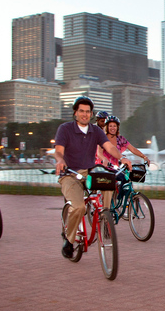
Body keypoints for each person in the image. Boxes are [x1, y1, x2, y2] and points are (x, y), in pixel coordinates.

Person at [55, 96, 131, 259]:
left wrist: (121, 158)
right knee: (80, 207)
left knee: (109, 180)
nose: (84, 114)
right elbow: (59, 150)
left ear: (91, 114)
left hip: (89, 172)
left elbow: (109, 147)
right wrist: (60, 160)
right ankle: (69, 240)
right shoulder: (65, 129)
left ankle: (105, 214)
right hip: (70, 174)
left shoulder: (95, 130)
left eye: (88, 112)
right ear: (75, 112)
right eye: (81, 111)